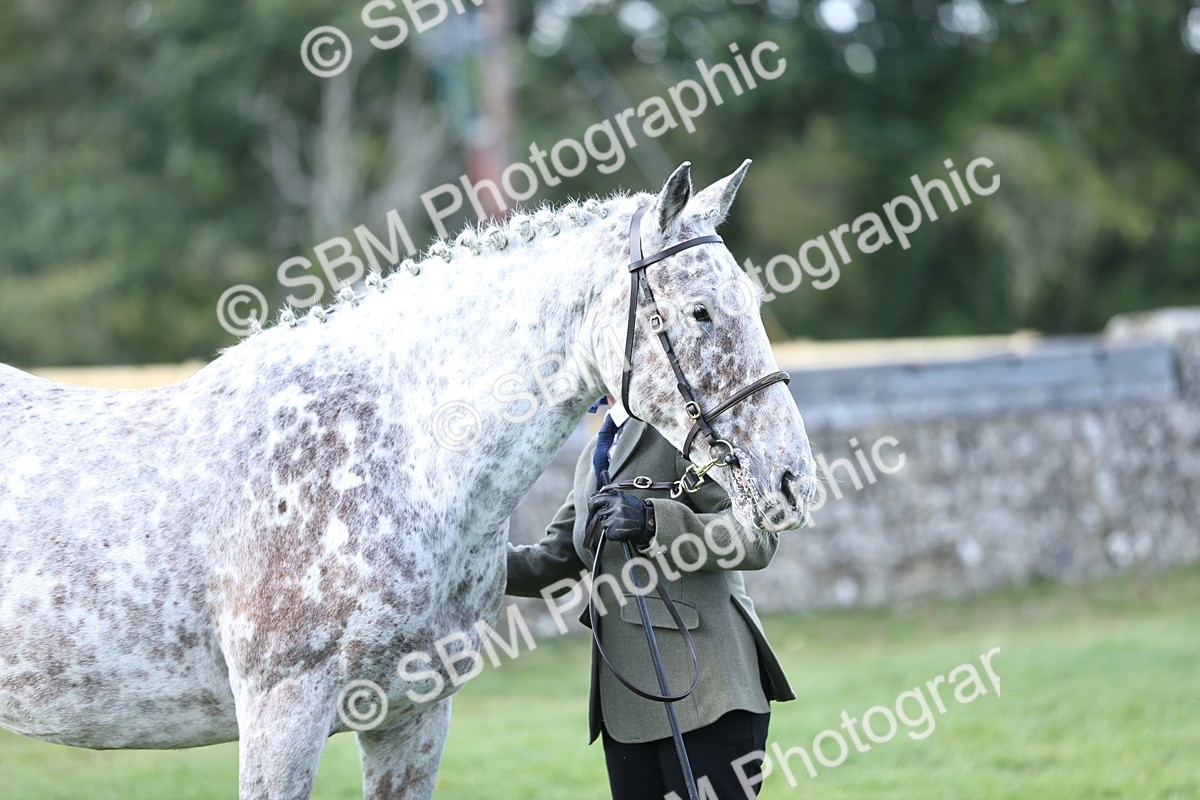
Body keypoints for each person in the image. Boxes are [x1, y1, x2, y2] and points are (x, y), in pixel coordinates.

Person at [506, 397, 794, 799]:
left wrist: (653, 521)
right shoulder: (593, 454)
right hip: (629, 706)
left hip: (709, 691)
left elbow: (755, 537)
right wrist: (458, 563)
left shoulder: (685, 434)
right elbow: (553, 561)